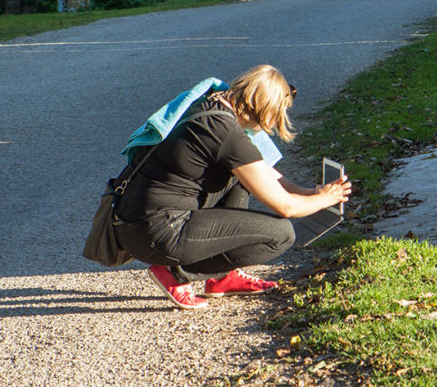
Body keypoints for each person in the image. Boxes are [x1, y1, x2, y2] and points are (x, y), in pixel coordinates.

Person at [114, 65, 352, 310]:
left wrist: (311, 192)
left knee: (240, 177)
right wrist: (324, 200)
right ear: (265, 110)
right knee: (281, 235)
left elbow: (261, 171)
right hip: (158, 232)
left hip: (138, 221)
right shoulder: (226, 133)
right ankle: (175, 272)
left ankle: (222, 277)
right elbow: (286, 207)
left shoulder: (212, 104)